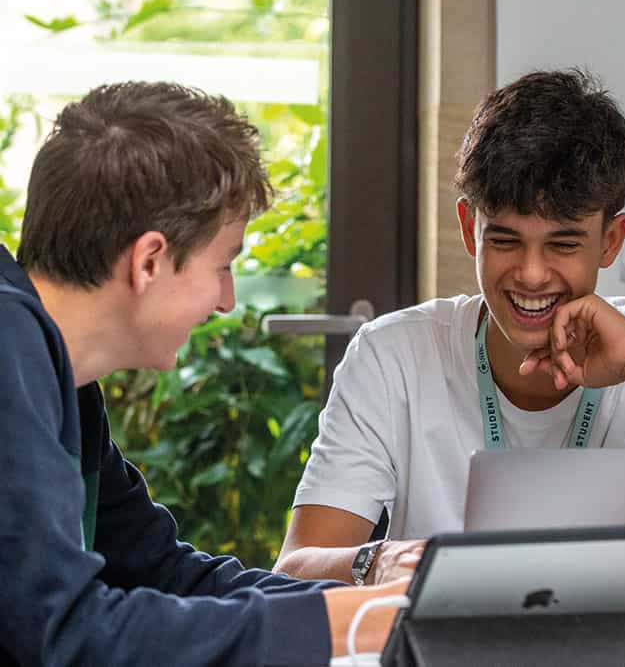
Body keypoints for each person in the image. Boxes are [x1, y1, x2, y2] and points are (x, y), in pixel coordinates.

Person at [274, 69, 625, 583]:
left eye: (563, 244)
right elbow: (294, 572)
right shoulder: (391, 355)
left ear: (612, 240)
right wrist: (381, 560)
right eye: (504, 240)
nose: (530, 273)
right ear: (468, 228)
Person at [0, 82, 406, 665]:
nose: (227, 300)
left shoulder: (62, 377)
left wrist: (369, 604)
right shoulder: (9, 350)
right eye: (222, 266)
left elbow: (162, 570)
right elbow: (65, 634)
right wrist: (347, 623)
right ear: (149, 260)